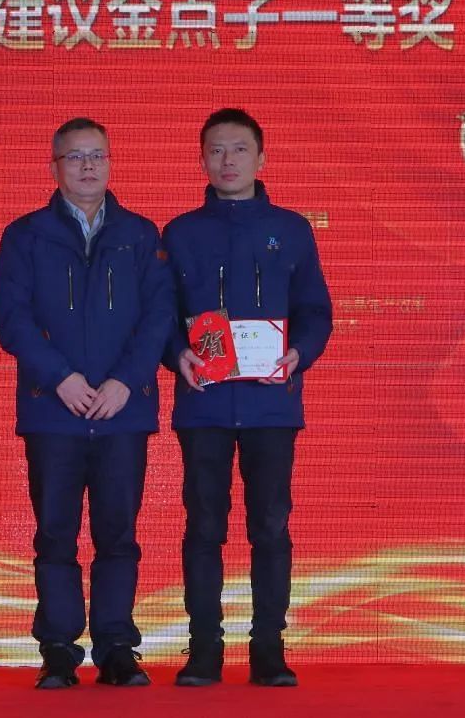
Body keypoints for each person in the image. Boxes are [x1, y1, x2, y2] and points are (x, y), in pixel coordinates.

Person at [0, 118, 173, 689]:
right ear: (54, 167)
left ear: (111, 163)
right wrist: (61, 378)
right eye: (75, 157)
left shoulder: (140, 235)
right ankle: (59, 648)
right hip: (54, 410)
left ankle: (117, 646)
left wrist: (126, 381)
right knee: (55, 535)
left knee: (118, 535)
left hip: (123, 411)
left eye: (97, 155)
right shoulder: (26, 236)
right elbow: (11, 319)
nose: (88, 166)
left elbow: (159, 318)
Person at [162, 108, 333, 687]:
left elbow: (315, 311)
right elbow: (160, 315)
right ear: (201, 160)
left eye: (239, 149)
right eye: (216, 150)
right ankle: (204, 648)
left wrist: (299, 353)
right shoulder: (180, 234)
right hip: (204, 403)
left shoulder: (292, 229)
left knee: (271, 527)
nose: (227, 160)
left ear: (262, 157)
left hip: (270, 403)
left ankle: (269, 648)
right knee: (203, 527)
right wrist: (175, 354)